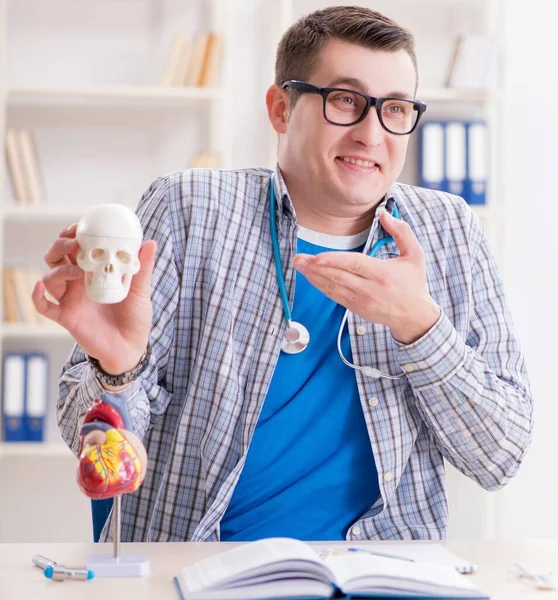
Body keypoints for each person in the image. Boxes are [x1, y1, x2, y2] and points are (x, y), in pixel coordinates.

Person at [33, 5, 533, 543]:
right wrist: (117, 367)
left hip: (381, 572)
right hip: (201, 569)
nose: (372, 133)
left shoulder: (449, 230)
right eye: (345, 100)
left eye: (394, 108)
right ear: (279, 108)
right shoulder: (189, 208)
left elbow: (499, 458)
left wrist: (420, 326)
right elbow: (84, 438)